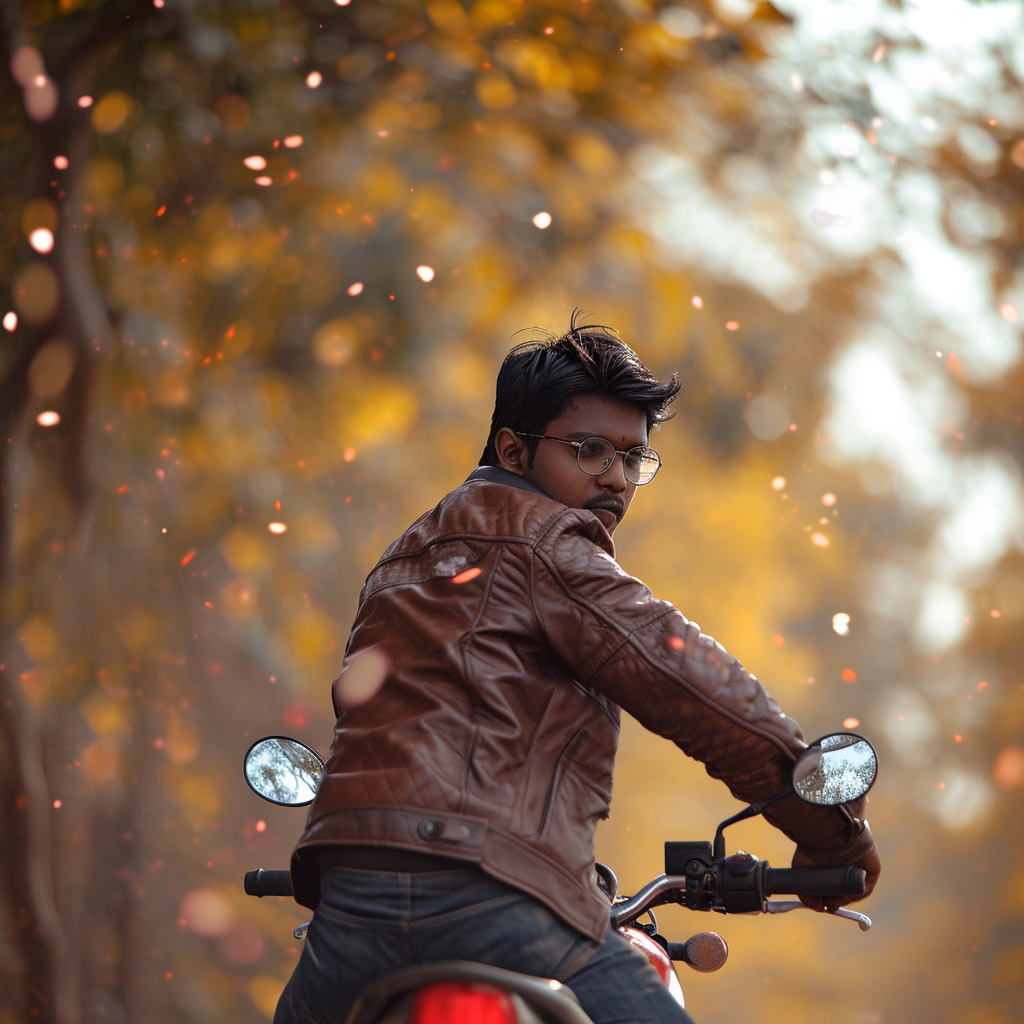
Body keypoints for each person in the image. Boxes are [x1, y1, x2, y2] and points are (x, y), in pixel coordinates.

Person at [275, 317, 880, 1024]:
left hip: (351, 904)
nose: (614, 477)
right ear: (513, 448)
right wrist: (830, 831)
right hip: (493, 895)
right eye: (590, 449)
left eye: (633, 458)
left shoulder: (402, 560)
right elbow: (685, 677)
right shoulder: (548, 542)